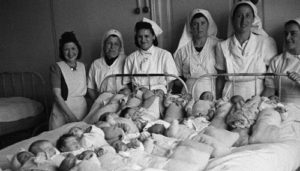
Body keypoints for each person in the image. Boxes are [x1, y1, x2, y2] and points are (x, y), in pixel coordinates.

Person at [215, 1, 277, 100]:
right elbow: (220, 78)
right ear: (233, 19)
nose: (244, 20)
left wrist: (259, 102)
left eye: (248, 15)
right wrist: (217, 101)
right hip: (230, 97)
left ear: (253, 19)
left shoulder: (265, 42)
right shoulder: (222, 46)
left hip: (258, 96)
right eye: (239, 16)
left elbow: (271, 82)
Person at [123, 18, 179, 93]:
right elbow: (127, 82)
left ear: (153, 36)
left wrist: (166, 94)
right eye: (140, 37)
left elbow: (171, 80)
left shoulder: (164, 55)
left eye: (146, 36)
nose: (143, 40)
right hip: (137, 94)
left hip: (159, 93)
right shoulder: (130, 58)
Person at [174, 9, 219, 100]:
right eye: (195, 24)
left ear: (208, 25)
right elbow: (176, 77)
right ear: (190, 27)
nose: (199, 28)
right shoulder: (182, 50)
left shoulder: (218, 45)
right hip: (188, 94)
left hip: (211, 93)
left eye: (203, 23)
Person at [49, 31, 88, 130]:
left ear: (78, 49)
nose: (70, 53)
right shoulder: (57, 67)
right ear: (62, 51)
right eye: (66, 49)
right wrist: (72, 117)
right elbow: (57, 96)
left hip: (81, 111)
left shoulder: (82, 66)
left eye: (73, 48)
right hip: (63, 113)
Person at [263, 18, 300, 103]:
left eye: (293, 33)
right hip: (281, 108)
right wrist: (260, 103)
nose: (287, 37)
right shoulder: (277, 61)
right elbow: (269, 89)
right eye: (286, 34)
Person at [87, 29, 126, 101]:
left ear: (120, 47)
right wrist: (98, 102)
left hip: (121, 102)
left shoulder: (126, 62)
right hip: (101, 102)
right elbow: (90, 88)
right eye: (109, 43)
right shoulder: (96, 64)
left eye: (116, 44)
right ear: (104, 45)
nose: (112, 47)